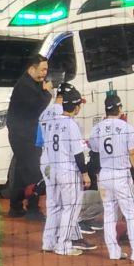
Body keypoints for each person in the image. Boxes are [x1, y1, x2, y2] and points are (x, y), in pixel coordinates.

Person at [89, 94, 134, 263]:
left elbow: (94, 152)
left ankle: (114, 252)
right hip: (120, 176)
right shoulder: (126, 127)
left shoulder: (97, 129)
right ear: (119, 108)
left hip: (104, 176)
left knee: (109, 214)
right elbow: (133, 153)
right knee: (131, 214)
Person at [41, 89, 94, 256]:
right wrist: (85, 173)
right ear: (76, 107)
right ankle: (63, 245)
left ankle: (48, 242)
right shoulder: (72, 125)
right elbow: (78, 154)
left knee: (55, 207)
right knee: (70, 209)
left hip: (53, 170)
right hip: (68, 172)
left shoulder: (51, 122)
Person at [6, 54, 53, 220]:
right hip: (22, 136)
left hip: (26, 133)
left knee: (21, 171)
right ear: (32, 69)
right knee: (33, 171)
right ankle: (33, 209)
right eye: (42, 70)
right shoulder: (25, 86)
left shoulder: (33, 83)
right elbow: (38, 106)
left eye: (46, 70)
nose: (44, 73)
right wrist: (47, 93)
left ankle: (16, 207)